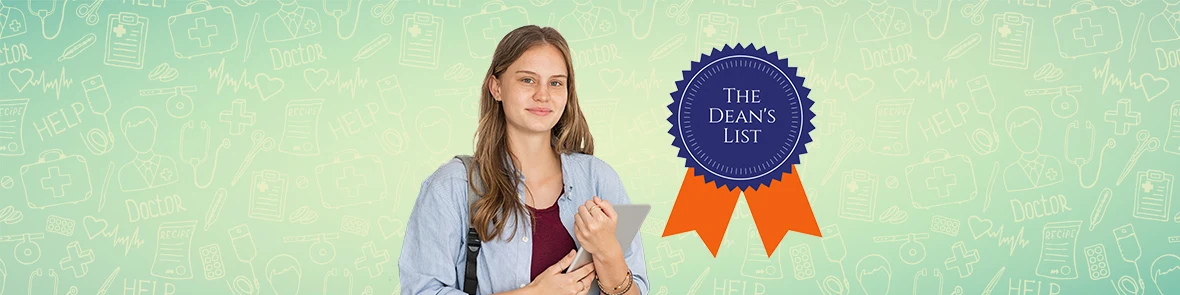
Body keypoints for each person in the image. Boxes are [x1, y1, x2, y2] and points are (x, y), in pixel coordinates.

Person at [399, 25, 649, 295]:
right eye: (527, 80)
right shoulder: (452, 187)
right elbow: (421, 290)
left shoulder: (598, 179)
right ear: (496, 87)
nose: (543, 95)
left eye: (555, 83)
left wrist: (609, 253)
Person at [1002, 106, 1062, 192]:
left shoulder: (1052, 163)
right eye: (1019, 134)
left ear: (1040, 130)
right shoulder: (1010, 173)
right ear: (1011, 138)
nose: (1027, 138)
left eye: (1031, 131)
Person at [118, 106, 178, 192]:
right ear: (126, 137)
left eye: (146, 130)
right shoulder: (126, 172)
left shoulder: (168, 163)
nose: (141, 138)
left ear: (155, 130)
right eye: (134, 134)